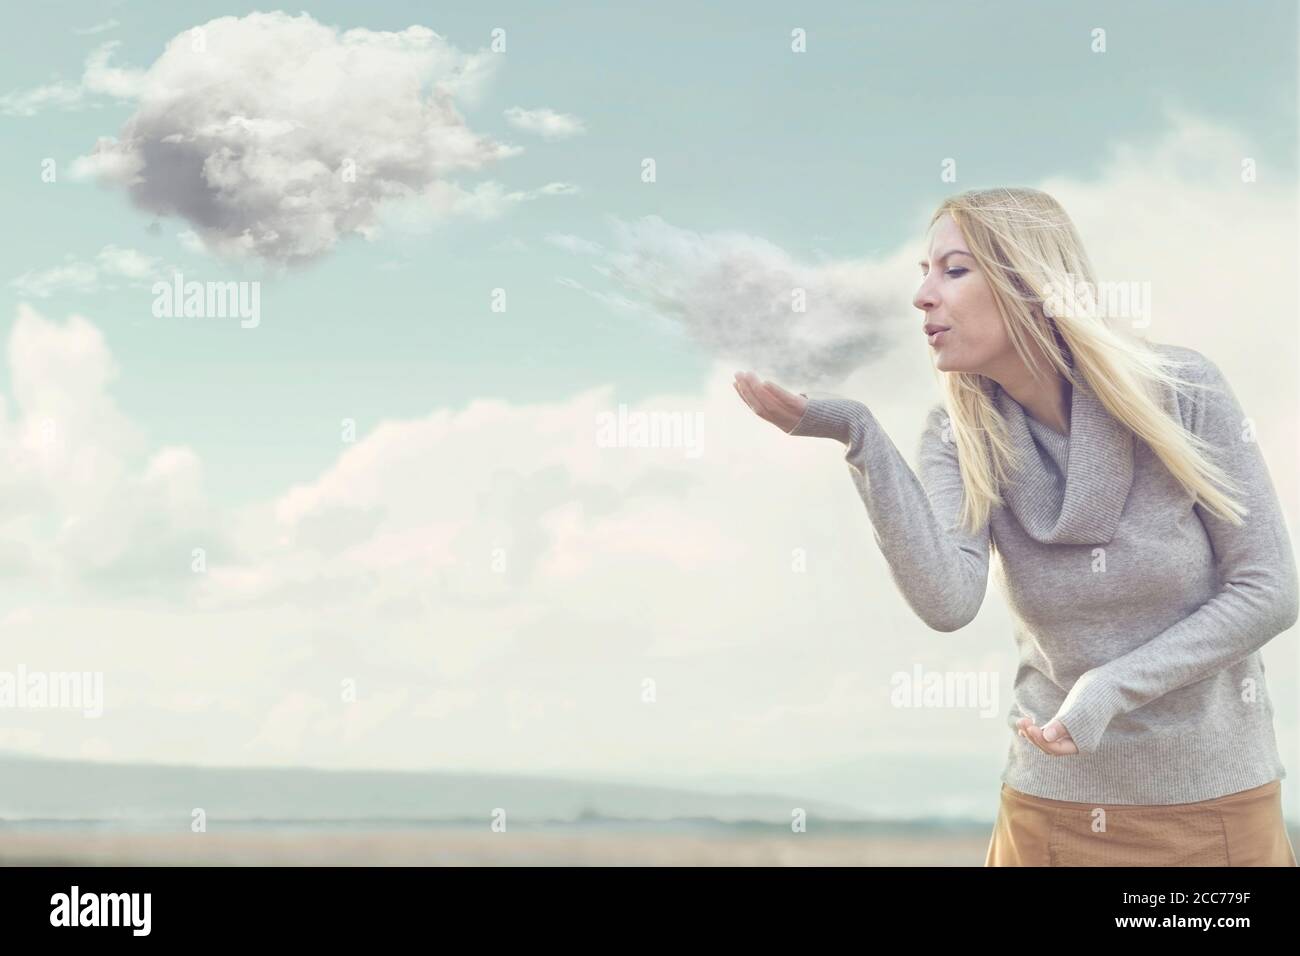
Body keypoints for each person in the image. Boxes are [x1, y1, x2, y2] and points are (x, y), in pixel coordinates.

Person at [733, 187, 1299, 866]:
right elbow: (947, 601)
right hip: (1049, 817)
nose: (922, 296)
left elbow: (1269, 587)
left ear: (1029, 285)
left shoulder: (1182, 391)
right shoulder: (958, 436)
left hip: (1214, 814)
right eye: (923, 272)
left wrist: (1109, 688)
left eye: (953, 269)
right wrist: (858, 435)